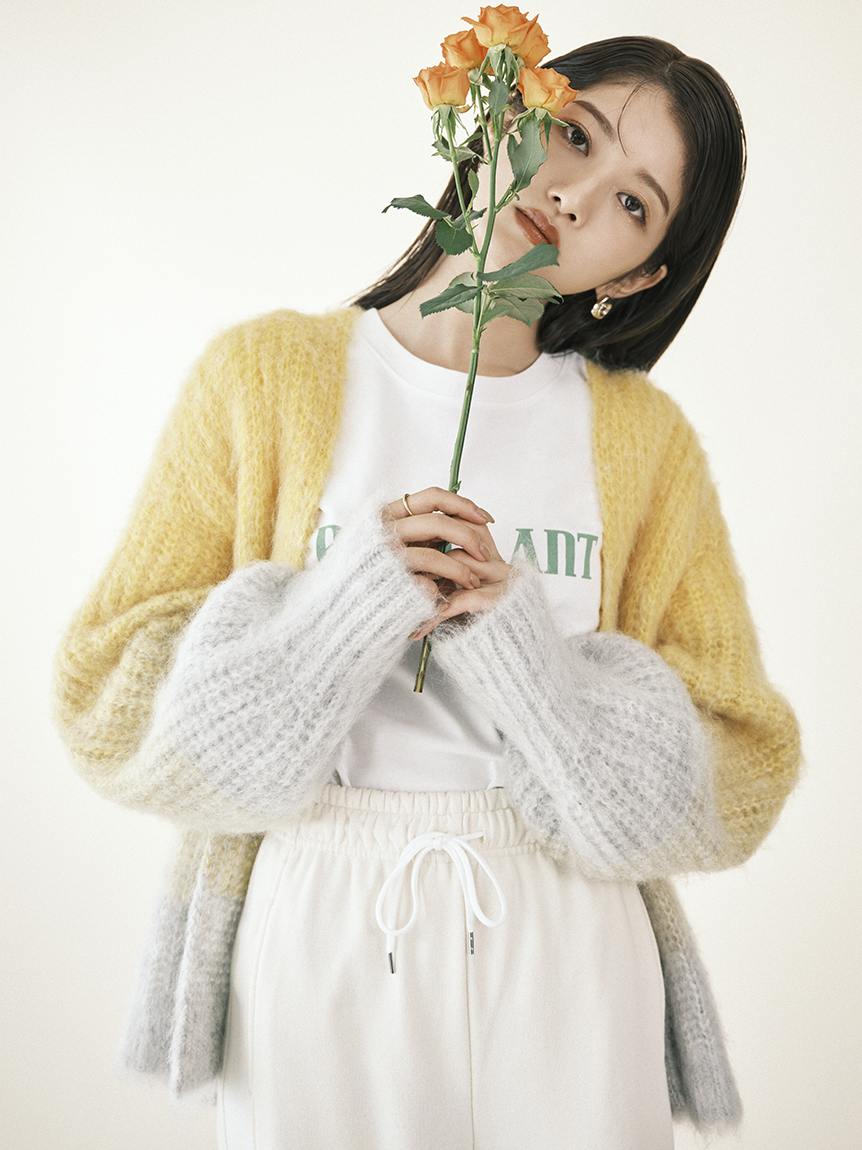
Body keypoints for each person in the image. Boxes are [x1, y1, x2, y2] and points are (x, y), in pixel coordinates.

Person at [54, 33, 800, 1150]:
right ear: (500, 116)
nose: (574, 194)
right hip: (315, 924)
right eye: (573, 133)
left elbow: (741, 764)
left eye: (632, 203)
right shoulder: (264, 381)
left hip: (569, 941)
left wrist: (528, 666)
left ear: (637, 276)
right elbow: (107, 699)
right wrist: (344, 612)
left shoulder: (644, 445)